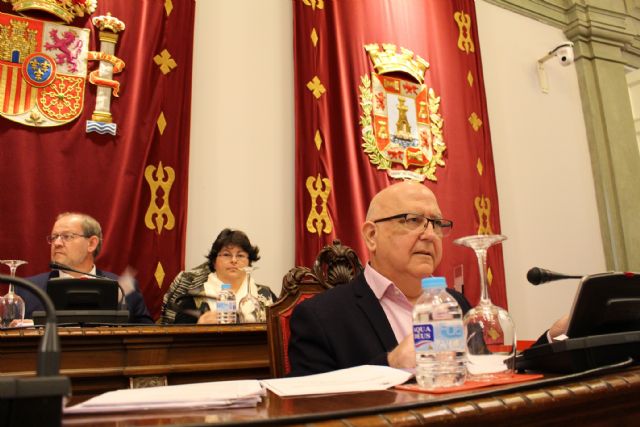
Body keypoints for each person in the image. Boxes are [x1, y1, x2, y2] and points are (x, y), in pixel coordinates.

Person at [288, 181, 563, 377]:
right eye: (412, 220)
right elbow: (309, 405)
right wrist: (391, 364)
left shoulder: (455, 303)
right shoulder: (320, 316)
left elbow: (491, 374)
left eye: (436, 224)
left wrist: (554, 338)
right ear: (372, 236)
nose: (430, 234)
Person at [17, 212, 153, 324]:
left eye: (66, 237)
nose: (57, 243)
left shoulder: (123, 288)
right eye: (54, 237)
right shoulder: (27, 289)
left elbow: (147, 337)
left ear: (92, 244)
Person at [160, 228, 277, 325]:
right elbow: (178, 339)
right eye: (226, 254)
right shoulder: (194, 298)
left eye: (240, 255)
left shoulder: (266, 296)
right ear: (214, 262)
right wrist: (198, 326)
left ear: (249, 262)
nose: (234, 260)